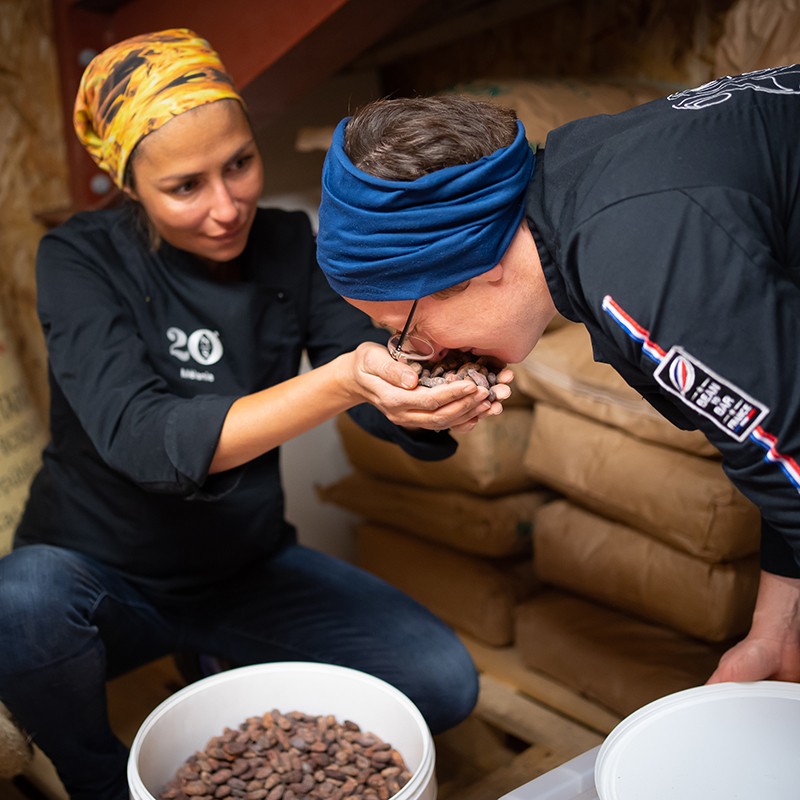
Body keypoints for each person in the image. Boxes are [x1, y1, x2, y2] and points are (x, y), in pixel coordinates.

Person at [0, 29, 494, 800]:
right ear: (130, 185)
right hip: (100, 573)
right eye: (185, 187)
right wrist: (344, 382)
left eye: (239, 163)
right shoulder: (79, 257)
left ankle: (215, 659)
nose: (227, 207)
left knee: (443, 684)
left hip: (243, 565)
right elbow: (145, 441)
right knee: (18, 599)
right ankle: (98, 777)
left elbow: (366, 382)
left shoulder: (290, 242)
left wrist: (428, 401)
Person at [315, 68, 800, 688]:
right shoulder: (582, 173)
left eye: (402, 326)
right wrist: (776, 633)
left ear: (463, 265)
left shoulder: (634, 259)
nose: (419, 353)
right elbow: (780, 437)